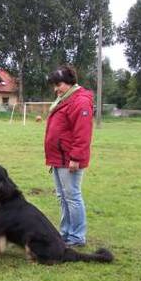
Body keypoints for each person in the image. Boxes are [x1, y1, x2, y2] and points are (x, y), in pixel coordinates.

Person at [44, 65, 94, 247]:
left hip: (69, 159)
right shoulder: (65, 100)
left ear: (70, 82)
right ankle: (65, 232)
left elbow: (83, 134)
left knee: (72, 196)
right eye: (54, 85)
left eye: (59, 84)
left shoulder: (79, 102)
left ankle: (77, 236)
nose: (56, 89)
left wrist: (76, 158)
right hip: (59, 158)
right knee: (62, 197)